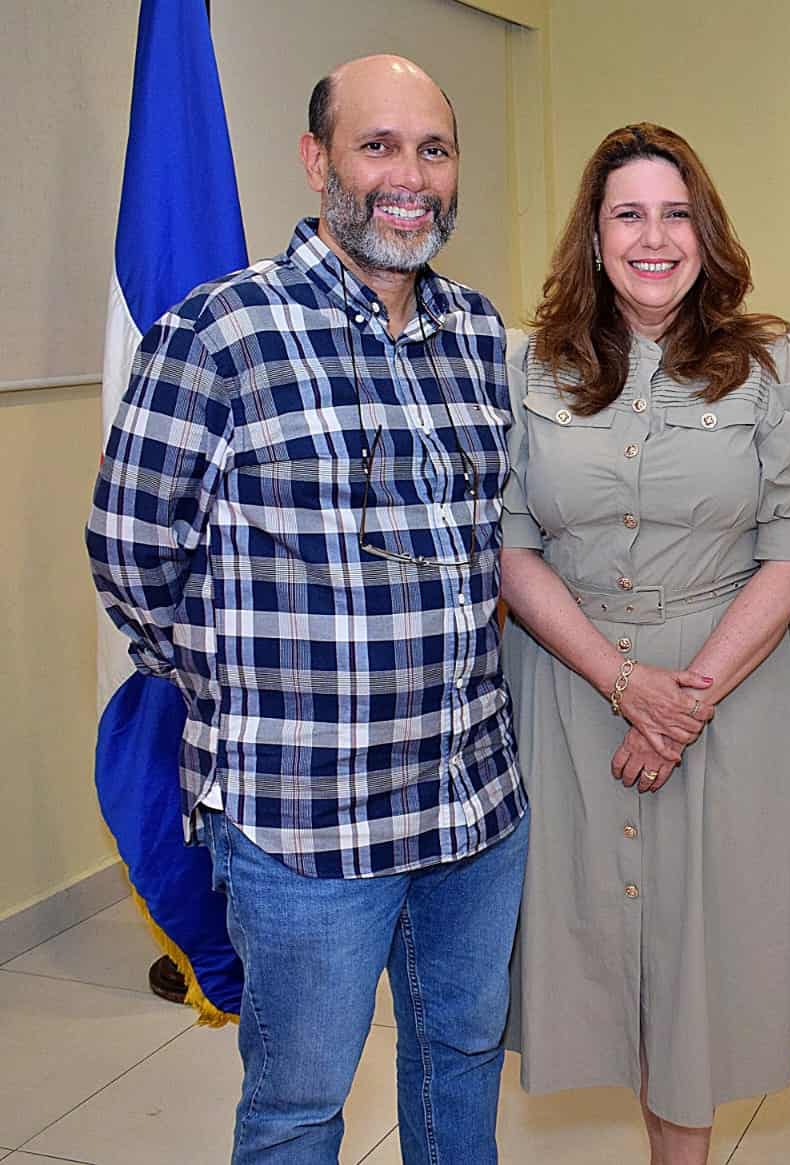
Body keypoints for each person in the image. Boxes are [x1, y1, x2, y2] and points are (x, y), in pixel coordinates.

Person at [87, 55, 527, 1163]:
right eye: (378, 146)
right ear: (316, 159)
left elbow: (492, 542)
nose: (409, 177)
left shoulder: (478, 334)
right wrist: (250, 688)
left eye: (433, 149)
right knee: (297, 1105)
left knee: (462, 1058)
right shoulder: (219, 333)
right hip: (302, 817)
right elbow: (131, 553)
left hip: (470, 803)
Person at [498, 122, 790, 1165]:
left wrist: (681, 699)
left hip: (727, 699)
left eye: (676, 212)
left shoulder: (780, 362)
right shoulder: (527, 367)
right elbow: (509, 543)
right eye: (628, 214)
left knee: (696, 974)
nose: (655, 237)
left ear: (708, 230)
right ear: (593, 238)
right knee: (598, 951)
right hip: (568, 697)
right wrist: (623, 682)